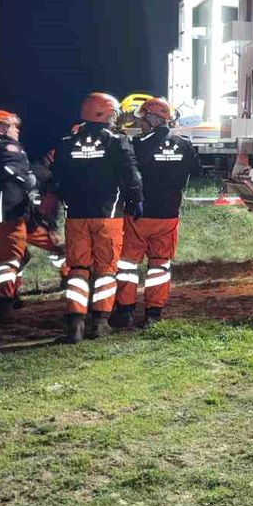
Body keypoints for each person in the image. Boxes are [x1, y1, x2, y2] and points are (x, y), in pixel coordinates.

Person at [50, 93, 143, 344]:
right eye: (112, 113)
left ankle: (75, 325)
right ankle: (100, 323)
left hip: (76, 216)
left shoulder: (67, 141)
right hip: (108, 216)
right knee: (105, 269)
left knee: (78, 269)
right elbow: (132, 176)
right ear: (103, 114)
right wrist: (136, 202)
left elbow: (56, 179)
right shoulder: (116, 141)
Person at [111, 97, 197, 329]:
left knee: (128, 264)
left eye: (142, 117)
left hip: (138, 215)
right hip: (168, 215)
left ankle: (125, 311)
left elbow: (126, 175)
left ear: (152, 118)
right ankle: (153, 313)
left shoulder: (137, 145)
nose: (140, 122)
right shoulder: (184, 144)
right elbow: (191, 170)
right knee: (160, 265)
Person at [0, 110, 63, 326]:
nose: (17, 130)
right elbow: (18, 174)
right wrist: (30, 185)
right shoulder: (8, 148)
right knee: (9, 260)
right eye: (13, 126)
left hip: (2, 215)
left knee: (8, 260)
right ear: (1, 128)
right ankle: (3, 310)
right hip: (8, 215)